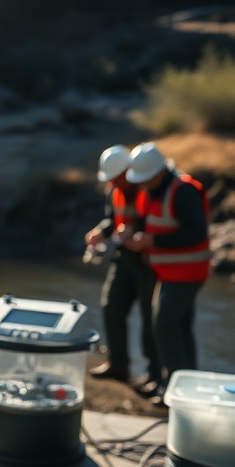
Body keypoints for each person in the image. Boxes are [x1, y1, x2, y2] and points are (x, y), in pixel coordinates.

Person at [120, 142, 211, 401]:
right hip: (170, 271)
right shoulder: (156, 190)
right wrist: (132, 231)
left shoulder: (183, 192)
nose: (142, 184)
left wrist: (152, 242)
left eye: (145, 179)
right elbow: (147, 219)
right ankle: (188, 389)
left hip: (187, 272)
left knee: (166, 325)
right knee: (180, 328)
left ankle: (174, 389)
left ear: (158, 173)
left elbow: (196, 232)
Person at [84, 145, 162, 386]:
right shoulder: (114, 191)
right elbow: (112, 218)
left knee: (151, 319)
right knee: (111, 307)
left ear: (127, 171)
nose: (113, 183)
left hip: (148, 261)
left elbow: (157, 221)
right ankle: (118, 365)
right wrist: (101, 230)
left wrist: (136, 232)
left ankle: (155, 376)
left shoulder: (148, 188)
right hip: (123, 258)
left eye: (115, 178)